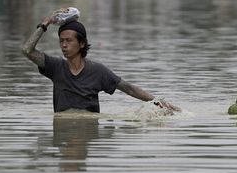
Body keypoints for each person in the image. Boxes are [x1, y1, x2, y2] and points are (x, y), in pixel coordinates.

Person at [23, 9, 179, 113]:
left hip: (88, 129)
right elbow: (27, 51)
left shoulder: (97, 71)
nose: (63, 45)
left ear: (82, 43)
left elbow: (128, 88)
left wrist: (157, 101)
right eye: (61, 41)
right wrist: (45, 23)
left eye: (69, 41)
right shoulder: (55, 67)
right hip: (63, 130)